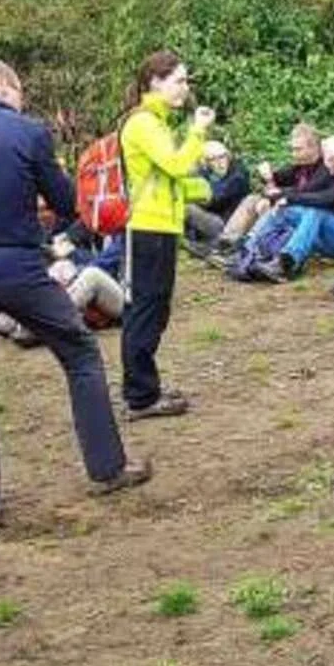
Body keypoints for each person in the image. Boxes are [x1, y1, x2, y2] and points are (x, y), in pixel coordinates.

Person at [0, 61, 148, 537]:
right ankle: (107, 469)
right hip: (16, 265)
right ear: (7, 87)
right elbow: (67, 199)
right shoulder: (26, 132)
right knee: (80, 352)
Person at [119, 51, 215, 419]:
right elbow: (175, 165)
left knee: (154, 310)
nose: (185, 88)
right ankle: (141, 396)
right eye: (179, 80)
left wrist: (202, 191)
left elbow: (162, 178)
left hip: (159, 225)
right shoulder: (144, 123)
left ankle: (145, 386)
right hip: (148, 228)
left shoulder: (154, 122)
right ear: (155, 82)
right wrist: (197, 132)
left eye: (186, 80)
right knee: (145, 310)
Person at [247, 134, 334, 282]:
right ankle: (248, 250)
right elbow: (308, 190)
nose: (322, 159)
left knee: (316, 211)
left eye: (325, 155)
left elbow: (326, 198)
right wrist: (280, 196)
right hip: (326, 235)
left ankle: (288, 263)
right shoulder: (331, 172)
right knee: (285, 211)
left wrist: (287, 197)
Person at [211, 121, 325, 256]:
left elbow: (307, 192)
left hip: (315, 221)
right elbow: (278, 178)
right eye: (292, 149)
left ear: (314, 148)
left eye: (298, 149)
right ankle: (227, 241)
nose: (293, 154)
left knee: (272, 205)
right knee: (252, 199)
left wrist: (275, 192)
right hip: (294, 207)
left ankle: (251, 248)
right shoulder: (300, 167)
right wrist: (267, 174)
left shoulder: (325, 168)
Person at [183, 140, 250, 250]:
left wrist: (195, 196)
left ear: (228, 156)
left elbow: (216, 199)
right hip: (211, 217)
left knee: (187, 208)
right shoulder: (204, 172)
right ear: (205, 162)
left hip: (226, 224)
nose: (219, 162)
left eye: (222, 157)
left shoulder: (238, 174)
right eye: (213, 159)